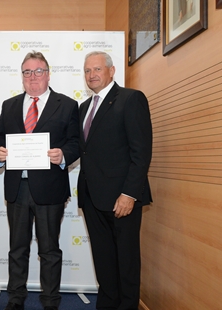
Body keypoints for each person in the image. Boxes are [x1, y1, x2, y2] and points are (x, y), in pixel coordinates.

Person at [0, 51, 80, 310]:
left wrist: (63, 154)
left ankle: (50, 301)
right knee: (17, 249)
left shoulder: (67, 105)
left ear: (48, 74)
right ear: (22, 76)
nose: (33, 77)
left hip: (50, 189)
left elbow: (76, 143)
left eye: (38, 71)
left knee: (49, 250)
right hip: (17, 188)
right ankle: (15, 299)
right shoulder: (9, 105)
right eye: (27, 72)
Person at [78, 51, 152, 310]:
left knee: (126, 261)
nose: (92, 75)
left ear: (111, 71)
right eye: (88, 71)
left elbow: (141, 153)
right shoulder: (84, 107)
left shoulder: (131, 99)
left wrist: (129, 194)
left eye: (97, 69)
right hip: (91, 198)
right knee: (104, 260)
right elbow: (83, 149)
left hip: (122, 198)